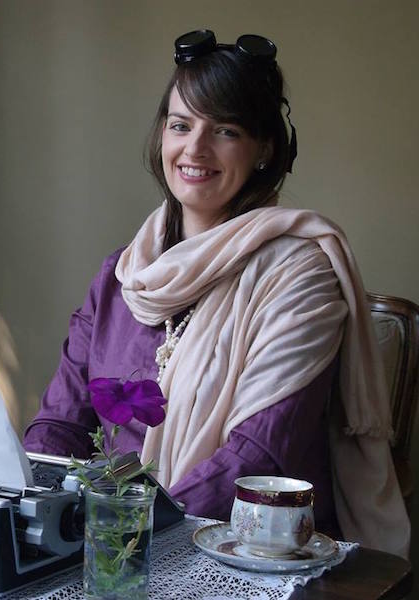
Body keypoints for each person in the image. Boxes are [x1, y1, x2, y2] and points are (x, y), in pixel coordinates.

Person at [23, 30, 410, 557]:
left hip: (243, 547)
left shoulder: (300, 277)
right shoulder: (123, 274)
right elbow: (60, 422)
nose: (195, 149)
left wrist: (128, 532)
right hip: (108, 536)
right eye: (181, 125)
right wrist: (33, 506)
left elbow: (259, 456)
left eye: (225, 130)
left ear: (264, 149)